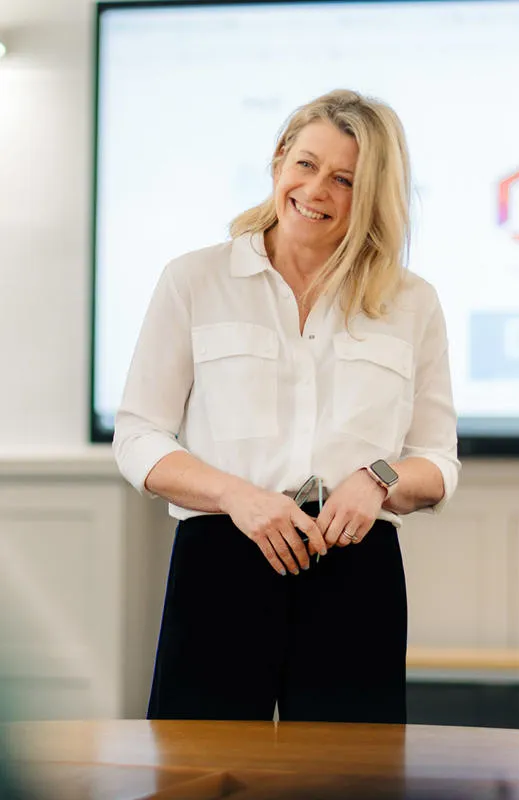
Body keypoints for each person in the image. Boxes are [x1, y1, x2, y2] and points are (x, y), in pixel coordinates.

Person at [113, 89, 460, 724]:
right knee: (197, 776)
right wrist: (237, 497)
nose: (316, 189)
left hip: (355, 568)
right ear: (278, 163)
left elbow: (437, 462)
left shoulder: (413, 302)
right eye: (305, 164)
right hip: (221, 559)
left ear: (374, 194)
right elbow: (138, 436)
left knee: (351, 782)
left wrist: (377, 481)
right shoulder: (193, 280)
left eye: (345, 179)